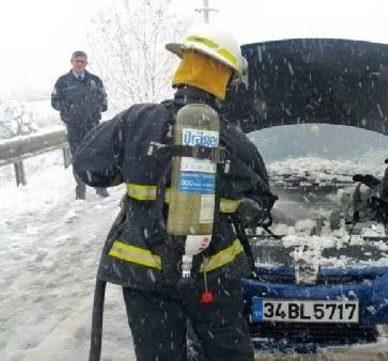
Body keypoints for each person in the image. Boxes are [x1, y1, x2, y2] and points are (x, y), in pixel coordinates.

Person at [74, 25, 276, 361]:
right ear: (224, 80)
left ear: (183, 69)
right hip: (213, 278)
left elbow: (87, 166)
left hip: (144, 275)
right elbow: (262, 199)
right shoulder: (235, 142)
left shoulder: (136, 121)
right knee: (229, 353)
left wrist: (139, 163)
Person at [51, 50, 109, 200]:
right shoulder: (63, 82)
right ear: (72, 61)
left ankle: (100, 187)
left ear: (86, 63)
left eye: (83, 61)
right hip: (74, 127)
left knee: (96, 156)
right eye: (78, 61)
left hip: (93, 126)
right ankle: (80, 191)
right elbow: (55, 102)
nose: (80, 64)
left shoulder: (94, 80)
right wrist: (69, 109)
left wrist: (99, 107)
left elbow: (104, 100)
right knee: (77, 158)